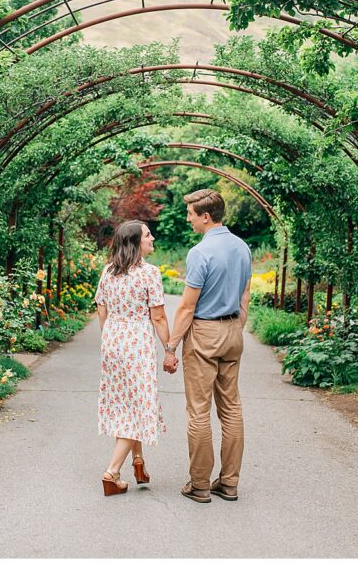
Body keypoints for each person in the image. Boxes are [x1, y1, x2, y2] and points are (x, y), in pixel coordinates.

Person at [163, 189, 252, 503]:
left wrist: (171, 347)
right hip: (233, 331)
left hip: (204, 332)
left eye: (190, 213)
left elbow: (187, 307)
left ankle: (199, 485)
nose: (188, 218)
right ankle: (229, 483)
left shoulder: (199, 252)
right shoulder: (242, 247)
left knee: (199, 411)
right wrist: (234, 329)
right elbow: (245, 298)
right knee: (231, 409)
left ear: (205, 216)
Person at [94, 220, 173, 496]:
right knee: (137, 406)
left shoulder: (108, 272)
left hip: (112, 341)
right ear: (135, 242)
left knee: (126, 403)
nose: (152, 238)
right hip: (136, 342)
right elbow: (159, 316)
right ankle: (112, 473)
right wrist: (170, 349)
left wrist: (111, 339)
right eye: (148, 234)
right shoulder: (149, 273)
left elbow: (101, 311)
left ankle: (138, 462)